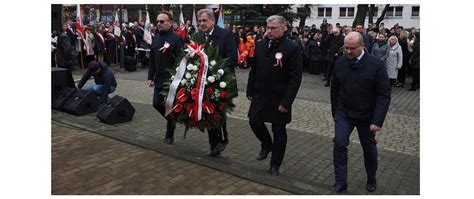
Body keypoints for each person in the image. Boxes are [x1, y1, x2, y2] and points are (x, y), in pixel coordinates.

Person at [330, 32, 391, 193]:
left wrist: (377, 120)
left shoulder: (376, 65)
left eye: (352, 48)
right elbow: (334, 89)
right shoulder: (340, 62)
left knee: (369, 148)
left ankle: (371, 177)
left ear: (363, 46)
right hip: (344, 114)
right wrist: (336, 113)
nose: (348, 52)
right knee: (339, 143)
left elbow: (384, 94)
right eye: (346, 48)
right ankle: (340, 181)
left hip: (367, 116)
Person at [246, 15, 303, 176]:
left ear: (283, 28)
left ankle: (275, 164)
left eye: (273, 28)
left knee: (279, 130)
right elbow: (254, 69)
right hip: (261, 93)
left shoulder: (292, 48)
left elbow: (295, 78)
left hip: (280, 97)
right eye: (267, 27)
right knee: (254, 120)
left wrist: (286, 102)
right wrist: (250, 89)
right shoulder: (260, 45)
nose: (269, 31)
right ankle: (266, 144)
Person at [197, 8, 238, 157]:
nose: (201, 24)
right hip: (204, 83)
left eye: (204, 20)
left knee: (218, 112)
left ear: (213, 20)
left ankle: (221, 140)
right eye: (200, 21)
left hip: (222, 82)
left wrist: (215, 69)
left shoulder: (225, 35)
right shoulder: (199, 36)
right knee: (209, 112)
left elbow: (233, 59)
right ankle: (214, 144)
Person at [147, 11, 185, 144]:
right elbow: (152, 59)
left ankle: (169, 134)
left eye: (162, 21)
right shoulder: (156, 38)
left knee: (169, 106)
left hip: (172, 80)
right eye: (157, 21)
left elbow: (182, 60)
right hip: (159, 79)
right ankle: (172, 119)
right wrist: (150, 76)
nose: (159, 24)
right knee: (156, 103)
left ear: (170, 22)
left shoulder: (176, 38)